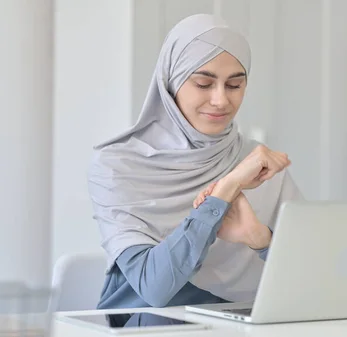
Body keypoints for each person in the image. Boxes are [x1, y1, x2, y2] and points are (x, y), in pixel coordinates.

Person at [87, 13, 302, 309]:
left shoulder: (260, 164)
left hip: (244, 322)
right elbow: (155, 288)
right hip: (150, 324)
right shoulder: (118, 165)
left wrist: (261, 239)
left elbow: (309, 276)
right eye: (203, 83)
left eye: (234, 85)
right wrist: (227, 189)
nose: (221, 100)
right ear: (171, 82)